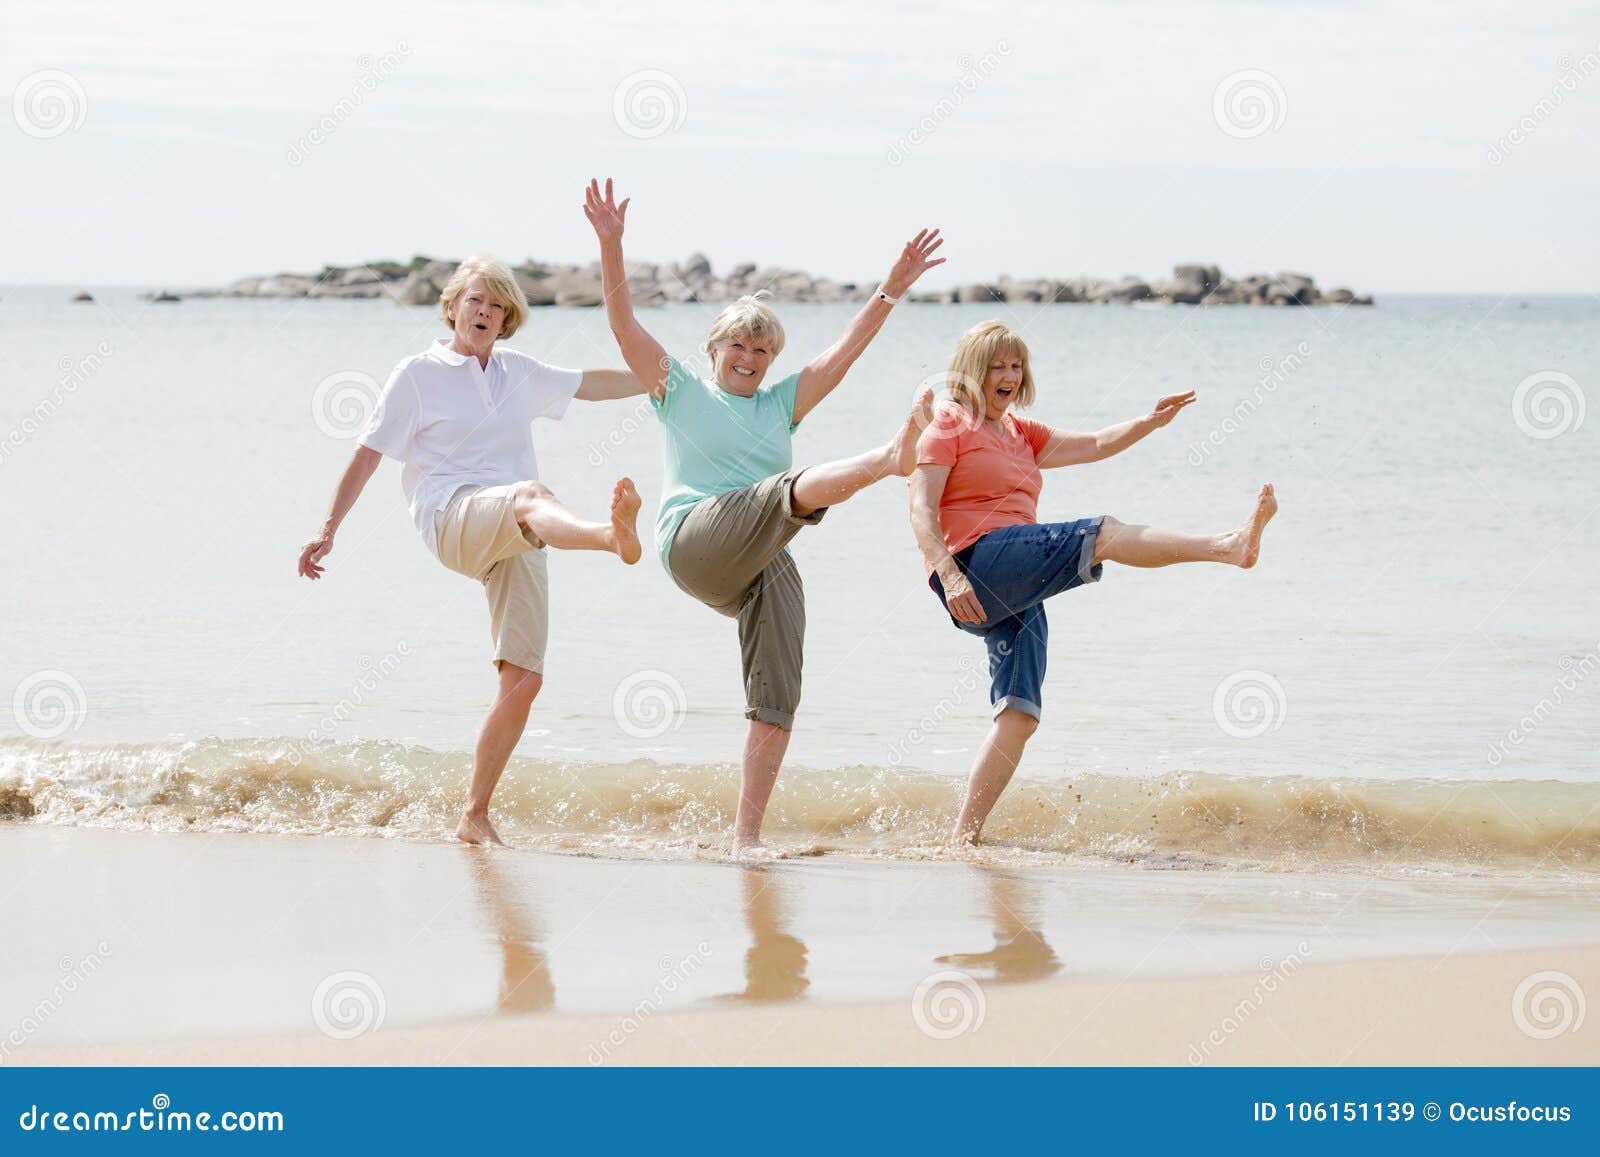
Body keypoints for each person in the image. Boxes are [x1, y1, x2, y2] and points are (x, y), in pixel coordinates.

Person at [582, 177, 944, 854]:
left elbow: (843, 352)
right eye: (737, 348)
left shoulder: (780, 405)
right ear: (714, 349)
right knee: (786, 489)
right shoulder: (677, 389)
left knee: (778, 694)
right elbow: (623, 324)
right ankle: (888, 458)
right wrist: (612, 244)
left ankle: (744, 838)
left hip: (756, 556)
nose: (749, 360)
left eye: (761, 352)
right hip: (694, 539)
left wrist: (891, 286)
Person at [296, 256, 650, 847]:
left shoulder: (517, 371)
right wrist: (329, 528)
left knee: (524, 680)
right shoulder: (418, 373)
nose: (484, 313)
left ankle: (473, 815)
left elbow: (593, 385)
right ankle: (608, 537)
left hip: (520, 531)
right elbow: (368, 455)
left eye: (496, 306)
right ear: (453, 306)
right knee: (532, 494)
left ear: (508, 318)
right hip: (453, 515)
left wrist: (665, 380)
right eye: (475, 301)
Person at [909, 320, 1278, 844]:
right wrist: (948, 574)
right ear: (973, 371)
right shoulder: (947, 424)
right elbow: (920, 509)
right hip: (973, 564)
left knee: (1020, 714)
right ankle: (1226, 547)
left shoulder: (1020, 433)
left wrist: (1149, 421)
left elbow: (1098, 443)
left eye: (1016, 365)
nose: (1009, 375)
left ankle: (961, 837)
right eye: (997, 366)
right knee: (1101, 533)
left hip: (1016, 581)